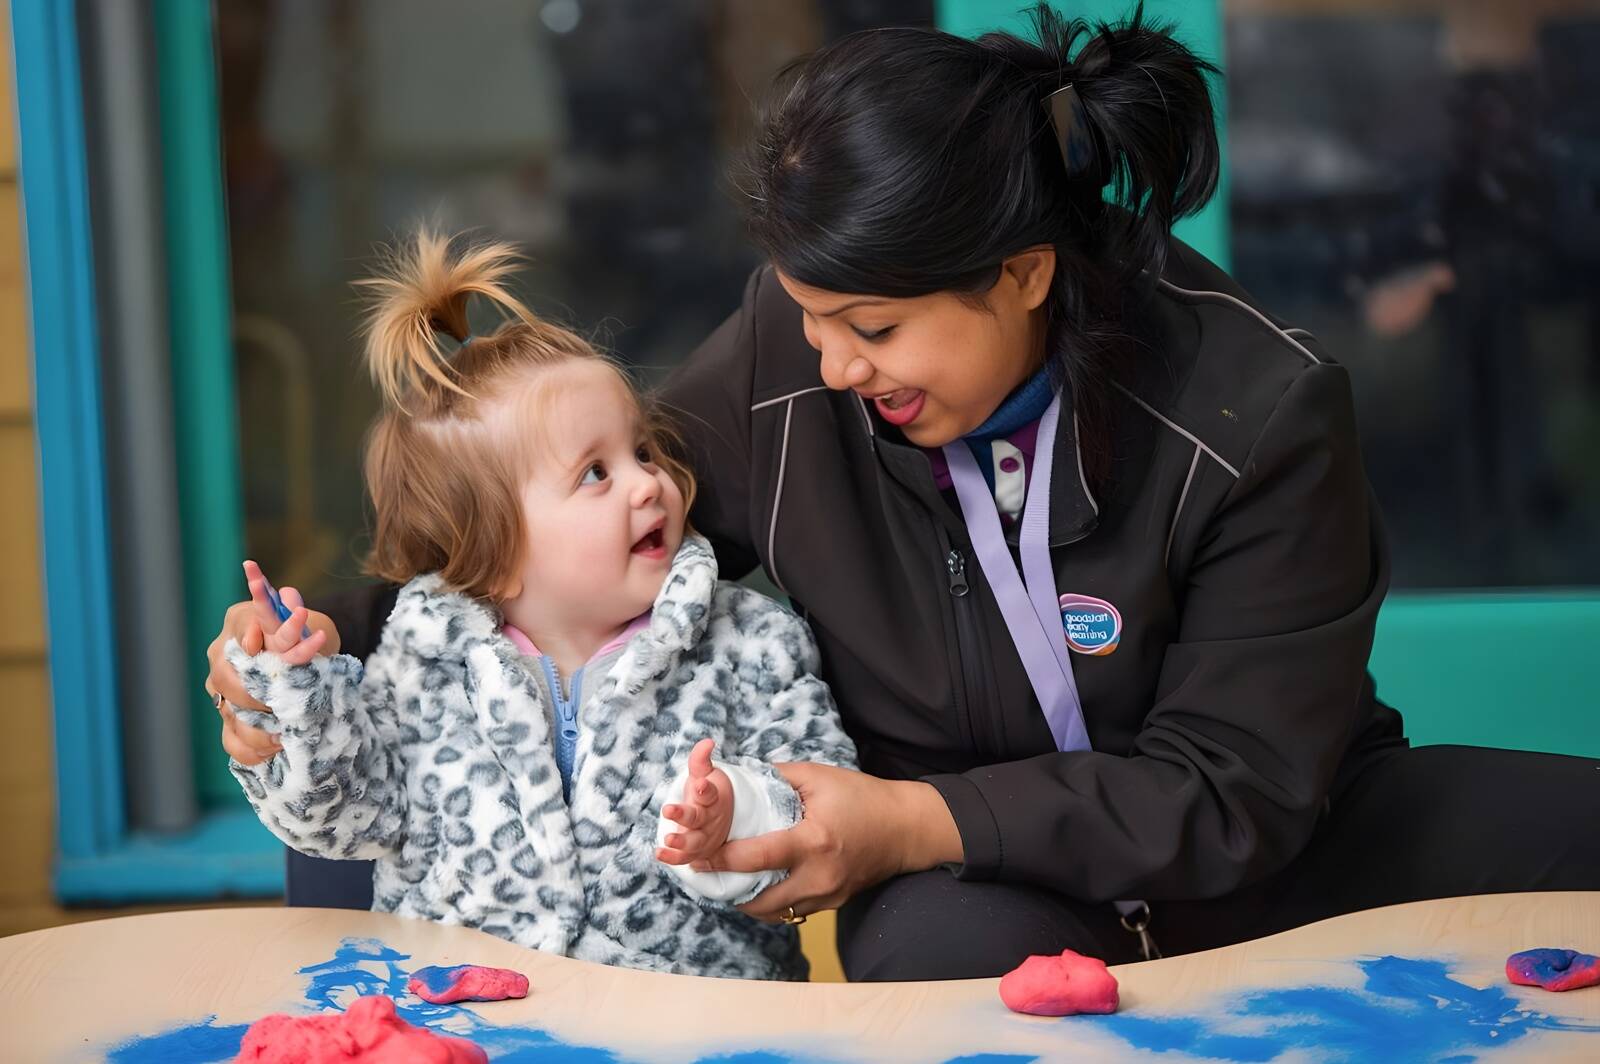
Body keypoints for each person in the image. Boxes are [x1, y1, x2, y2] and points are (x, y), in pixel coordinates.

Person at [210, 6, 1600, 982]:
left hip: (1260, 851)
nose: (825, 361)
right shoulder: (795, 357)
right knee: (931, 955)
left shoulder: (1258, 413)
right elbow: (536, 536)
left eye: (871, 327)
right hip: (977, 891)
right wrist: (321, 638)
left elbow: (1230, 793)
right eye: (807, 312)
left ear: (1024, 275)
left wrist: (904, 821)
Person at [212, 230, 856, 981]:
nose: (649, 483)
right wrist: (292, 700)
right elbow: (341, 816)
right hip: (467, 1015)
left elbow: (817, 800)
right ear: (494, 553)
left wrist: (737, 813)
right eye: (595, 473)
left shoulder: (750, 644)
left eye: (642, 450)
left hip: (691, 1019)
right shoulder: (423, 665)